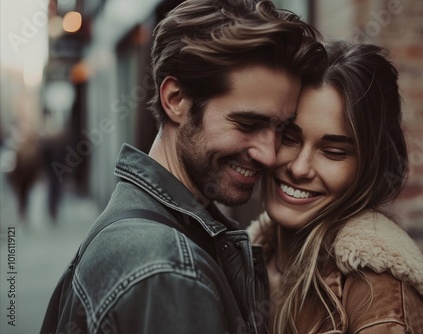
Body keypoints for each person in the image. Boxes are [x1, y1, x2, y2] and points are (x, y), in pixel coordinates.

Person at [41, 0, 326, 333]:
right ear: (175, 99)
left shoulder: (134, 223)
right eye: (248, 124)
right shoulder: (169, 270)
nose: (269, 154)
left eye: (281, 129)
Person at [248, 41, 423, 333]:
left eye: (334, 152)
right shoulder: (247, 257)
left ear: (368, 168)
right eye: (289, 138)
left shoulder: (377, 293)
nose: (299, 168)